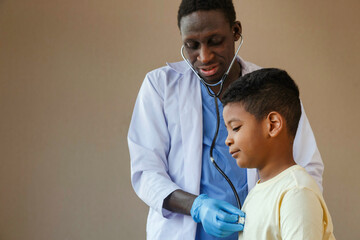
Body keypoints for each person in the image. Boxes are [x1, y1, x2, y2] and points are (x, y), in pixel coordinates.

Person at [128, 0, 324, 239]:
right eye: (192, 45)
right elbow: (146, 172)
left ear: (235, 31)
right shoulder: (161, 87)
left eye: (215, 41)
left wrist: (291, 214)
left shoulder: (271, 90)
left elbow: (306, 167)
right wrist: (198, 207)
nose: (204, 56)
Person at [222, 68, 335, 240]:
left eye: (236, 128)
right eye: (228, 130)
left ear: (273, 125)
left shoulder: (296, 192)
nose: (228, 140)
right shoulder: (257, 192)